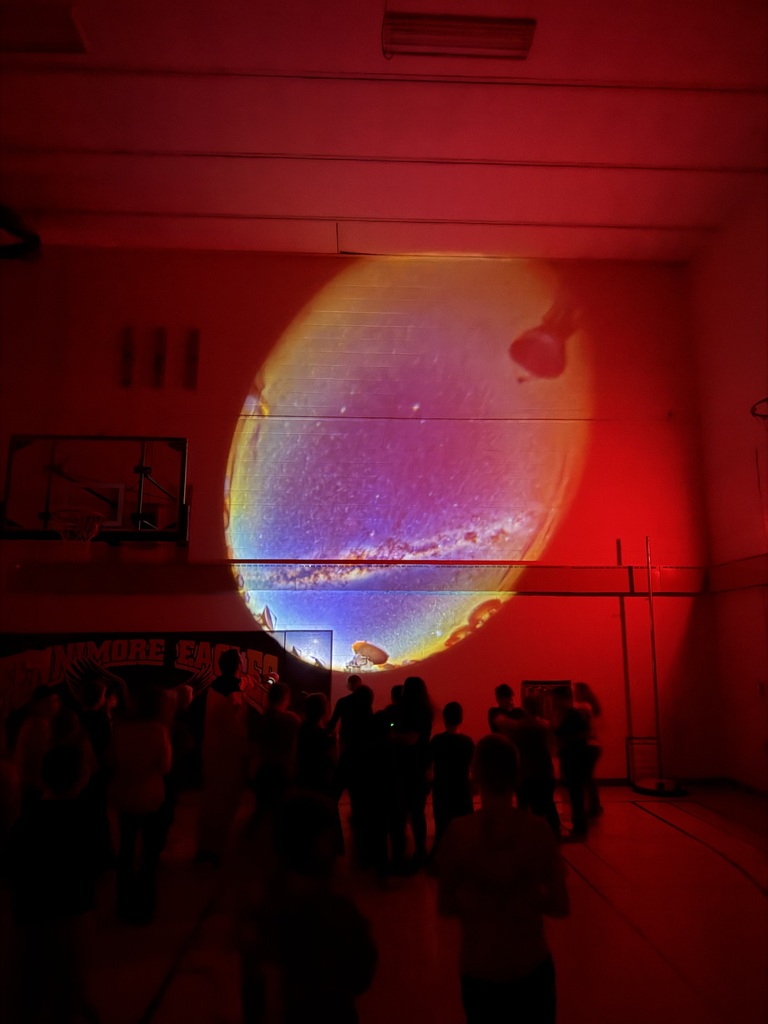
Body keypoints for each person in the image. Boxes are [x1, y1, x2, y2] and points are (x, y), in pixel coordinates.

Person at [437, 734, 569, 1024]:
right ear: (517, 774)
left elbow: (446, 904)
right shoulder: (539, 831)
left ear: (476, 773)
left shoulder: (459, 832)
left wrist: (482, 896)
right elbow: (560, 905)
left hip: (480, 967)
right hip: (531, 964)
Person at [239, 791, 377, 1023]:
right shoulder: (337, 912)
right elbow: (361, 974)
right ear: (323, 845)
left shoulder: (263, 913)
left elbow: (253, 991)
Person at [3, 743, 103, 1023]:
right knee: (68, 979)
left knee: (30, 982)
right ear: (80, 777)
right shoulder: (88, 821)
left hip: (30, 915)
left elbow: (10, 867)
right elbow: (100, 867)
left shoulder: (27, 820)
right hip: (72, 913)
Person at [109, 681, 172, 923]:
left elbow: (110, 761)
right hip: (150, 797)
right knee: (148, 854)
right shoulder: (158, 731)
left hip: (125, 795)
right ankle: (145, 908)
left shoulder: (120, 729)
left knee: (125, 850)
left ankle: (123, 905)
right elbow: (165, 766)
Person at [196, 650, 249, 865]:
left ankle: (207, 848)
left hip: (213, 750)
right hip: (228, 755)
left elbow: (244, 684)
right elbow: (237, 718)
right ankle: (216, 851)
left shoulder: (218, 685)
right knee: (224, 804)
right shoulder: (231, 691)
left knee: (212, 801)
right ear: (238, 663)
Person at [390, 675, 433, 872]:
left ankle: (403, 856)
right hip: (419, 764)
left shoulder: (408, 711)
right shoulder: (425, 711)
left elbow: (411, 739)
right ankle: (420, 852)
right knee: (417, 813)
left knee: (403, 812)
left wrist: (392, 736)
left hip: (405, 765)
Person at [507, 696, 561, 839]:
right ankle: (552, 833)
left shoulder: (518, 728)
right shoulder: (544, 727)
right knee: (547, 805)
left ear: (525, 708)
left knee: (524, 806)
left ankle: (525, 836)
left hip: (526, 773)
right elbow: (552, 747)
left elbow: (514, 749)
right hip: (544, 771)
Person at [428, 701, 475, 856]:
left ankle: (442, 854)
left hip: (442, 788)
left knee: (442, 823)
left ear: (444, 718)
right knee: (464, 824)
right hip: (461, 788)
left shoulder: (437, 741)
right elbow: (473, 768)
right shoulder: (467, 742)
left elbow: (429, 766)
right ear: (461, 718)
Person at [552, 686, 590, 840]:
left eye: (556, 699)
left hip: (573, 757)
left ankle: (580, 827)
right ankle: (579, 825)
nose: (554, 702)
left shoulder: (571, 715)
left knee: (576, 793)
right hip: (574, 757)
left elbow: (562, 733)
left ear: (562, 698)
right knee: (576, 793)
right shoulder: (573, 714)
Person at [573, 682, 603, 818]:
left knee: (586, 778)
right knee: (588, 777)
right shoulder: (590, 707)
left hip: (588, 745)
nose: (574, 694)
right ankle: (594, 805)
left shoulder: (583, 707)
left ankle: (593, 806)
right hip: (594, 745)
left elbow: (579, 726)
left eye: (576, 691)